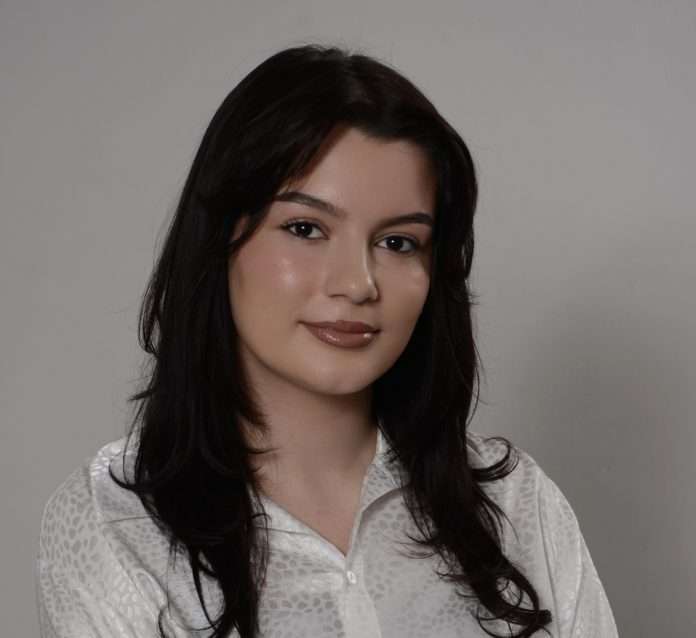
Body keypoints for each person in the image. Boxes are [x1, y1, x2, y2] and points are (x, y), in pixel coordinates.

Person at [35, 44, 619, 638]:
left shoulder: (516, 505)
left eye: (398, 242)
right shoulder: (116, 521)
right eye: (305, 228)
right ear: (218, 242)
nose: (358, 284)